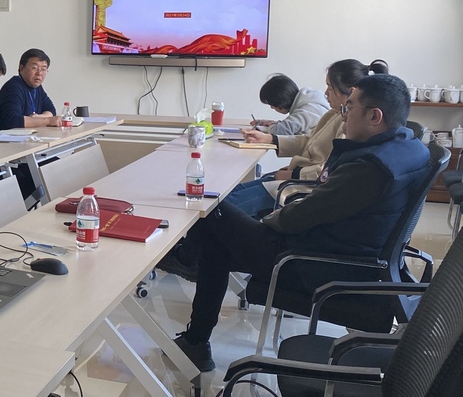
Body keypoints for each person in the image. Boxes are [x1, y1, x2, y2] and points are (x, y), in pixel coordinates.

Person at [158, 74, 430, 372]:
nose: (343, 116)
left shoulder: (368, 168)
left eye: (349, 108)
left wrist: (268, 218)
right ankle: (195, 339)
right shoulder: (408, 148)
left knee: (210, 208)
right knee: (216, 241)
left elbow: (294, 219)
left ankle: (187, 267)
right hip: (347, 255)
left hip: (310, 264)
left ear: (375, 117)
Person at [224, 59, 389, 217]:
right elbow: (310, 141)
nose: (325, 93)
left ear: (351, 91)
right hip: (297, 176)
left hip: (304, 186)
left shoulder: (351, 125)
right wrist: (271, 139)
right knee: (229, 195)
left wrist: (294, 174)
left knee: (225, 206)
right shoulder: (334, 114)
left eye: (330, 88)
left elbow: (330, 170)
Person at [0, 48, 61, 129]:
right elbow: (13, 120)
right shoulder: (14, 87)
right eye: (34, 68)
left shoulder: (37, 87)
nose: (39, 73)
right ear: (21, 68)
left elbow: (51, 110)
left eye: (43, 69)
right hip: (6, 136)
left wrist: (37, 117)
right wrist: (47, 121)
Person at [251, 74, 329, 136]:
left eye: (272, 104)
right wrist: (274, 123)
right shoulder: (309, 100)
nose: (271, 107)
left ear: (280, 101)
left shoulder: (308, 110)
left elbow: (280, 131)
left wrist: (273, 125)